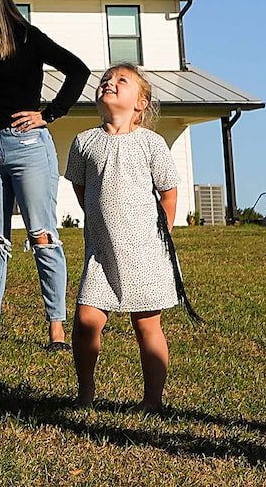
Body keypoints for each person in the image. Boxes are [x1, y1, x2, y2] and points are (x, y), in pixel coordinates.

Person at [0, 0, 87, 349]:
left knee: (42, 236)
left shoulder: (29, 38)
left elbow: (77, 70)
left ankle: (57, 332)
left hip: (28, 147)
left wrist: (49, 113)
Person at [65, 65, 183, 411]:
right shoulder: (84, 142)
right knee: (86, 321)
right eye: (105, 80)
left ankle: (152, 400)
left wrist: (164, 234)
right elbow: (81, 187)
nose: (109, 84)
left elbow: (169, 191)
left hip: (146, 253)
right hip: (101, 253)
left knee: (147, 326)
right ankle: (85, 393)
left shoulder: (151, 143)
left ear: (140, 103)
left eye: (121, 81)